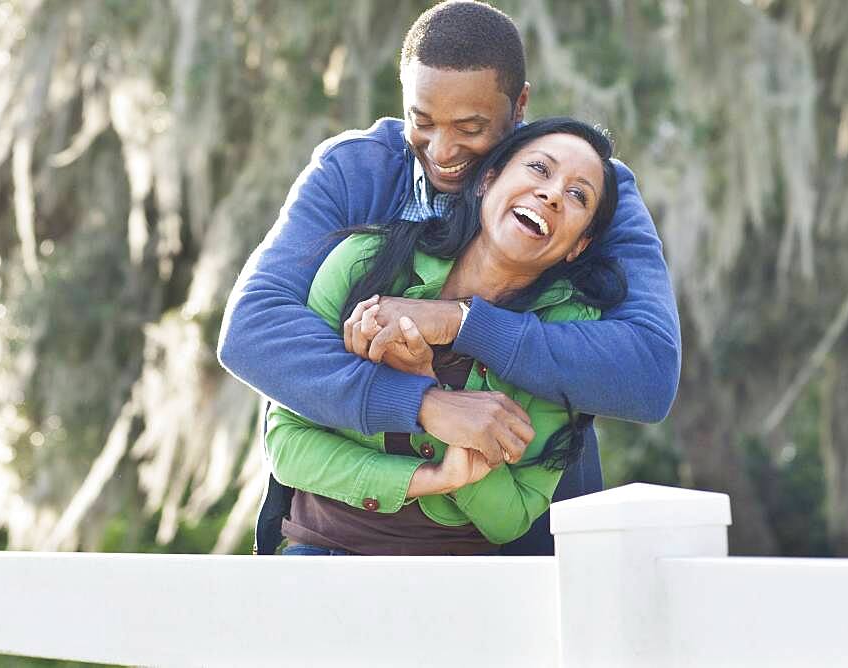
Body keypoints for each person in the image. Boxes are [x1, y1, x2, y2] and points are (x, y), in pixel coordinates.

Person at [217, 1, 680, 555]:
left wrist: (459, 323)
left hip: (519, 550)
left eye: (471, 127)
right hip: (332, 536)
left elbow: (648, 370)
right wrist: (425, 405)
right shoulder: (353, 172)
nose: (442, 150)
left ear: (520, 106)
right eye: (422, 121)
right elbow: (252, 332)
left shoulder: (589, 187)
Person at [269, 118, 625, 554]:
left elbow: (512, 516)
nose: (552, 194)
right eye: (538, 168)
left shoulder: (568, 334)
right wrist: (431, 475)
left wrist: (440, 409)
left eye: (577, 195)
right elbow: (285, 442)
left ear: (578, 245)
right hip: (318, 560)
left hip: (462, 584)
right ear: (487, 181)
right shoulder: (367, 262)